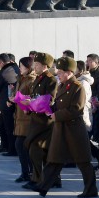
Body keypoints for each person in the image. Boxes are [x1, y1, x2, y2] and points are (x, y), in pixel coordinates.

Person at [35, 57, 98, 198]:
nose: (58, 74)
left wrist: (56, 115)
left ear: (69, 72)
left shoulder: (78, 87)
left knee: (83, 162)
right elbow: (58, 104)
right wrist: (47, 108)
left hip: (74, 129)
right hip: (61, 129)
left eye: (61, 72)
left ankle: (91, 189)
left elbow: (76, 109)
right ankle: (42, 187)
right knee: (55, 159)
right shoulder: (63, 86)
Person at [23, 52, 57, 190]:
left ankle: (39, 179)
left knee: (35, 149)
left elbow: (50, 100)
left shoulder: (51, 80)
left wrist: (32, 102)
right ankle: (50, 179)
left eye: (37, 64)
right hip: (36, 120)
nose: (34, 66)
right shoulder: (38, 78)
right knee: (42, 151)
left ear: (45, 66)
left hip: (46, 123)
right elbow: (35, 96)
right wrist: (28, 107)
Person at [12, 57, 36, 184]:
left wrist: (23, 100)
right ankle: (26, 172)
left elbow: (33, 98)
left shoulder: (31, 80)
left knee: (22, 145)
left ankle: (29, 172)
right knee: (21, 146)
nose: (19, 68)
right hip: (20, 117)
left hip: (27, 118)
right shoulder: (21, 79)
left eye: (21, 66)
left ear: (28, 67)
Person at [0, 53, 20, 156]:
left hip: (6, 103)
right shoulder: (15, 67)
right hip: (14, 102)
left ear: (1, 62)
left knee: (7, 127)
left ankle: (10, 149)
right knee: (5, 125)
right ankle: (6, 146)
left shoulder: (3, 72)